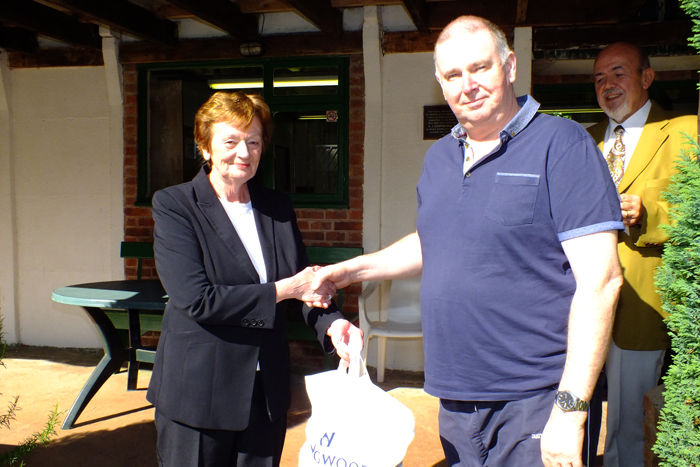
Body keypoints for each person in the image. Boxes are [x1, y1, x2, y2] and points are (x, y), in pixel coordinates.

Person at [309, 16, 624, 467]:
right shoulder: (440, 156)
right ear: (439, 82)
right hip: (455, 396)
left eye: (480, 68)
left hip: (534, 396)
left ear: (509, 66)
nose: (467, 85)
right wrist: (348, 271)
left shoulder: (562, 143)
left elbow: (603, 281)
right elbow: (434, 241)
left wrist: (571, 410)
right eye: (453, 75)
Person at [146, 91, 362, 467]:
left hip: (266, 394)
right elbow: (199, 300)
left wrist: (333, 324)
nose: (243, 153)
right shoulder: (175, 206)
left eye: (253, 141)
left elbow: (303, 285)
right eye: (230, 141)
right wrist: (286, 289)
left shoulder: (276, 206)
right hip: (199, 396)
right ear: (205, 147)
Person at [587, 42, 698, 467]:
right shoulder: (585, 140)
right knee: (576, 408)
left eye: (618, 73)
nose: (607, 85)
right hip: (583, 301)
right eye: (599, 79)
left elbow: (696, 208)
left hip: (643, 304)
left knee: (630, 419)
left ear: (646, 78)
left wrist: (650, 213)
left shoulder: (686, 130)